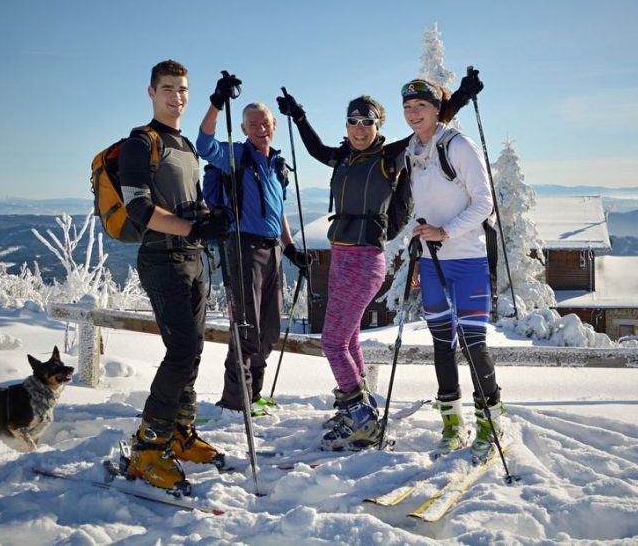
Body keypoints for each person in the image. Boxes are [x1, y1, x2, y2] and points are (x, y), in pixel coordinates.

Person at [276, 70, 482, 451]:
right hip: (340, 255)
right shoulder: (342, 157)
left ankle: (359, 418)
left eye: (366, 121)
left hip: (366, 258)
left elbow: (431, 124)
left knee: (332, 340)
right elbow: (315, 149)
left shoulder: (390, 156)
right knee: (348, 335)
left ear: (378, 124)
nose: (358, 128)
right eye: (352, 121)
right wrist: (298, 115)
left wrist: (463, 96)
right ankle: (360, 405)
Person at [117, 60, 230, 489]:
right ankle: (147, 448)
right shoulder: (140, 144)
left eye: (182, 89)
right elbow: (140, 209)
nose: (177, 96)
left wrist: (210, 217)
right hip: (162, 258)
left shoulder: (183, 144)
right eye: (168, 89)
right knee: (180, 351)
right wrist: (193, 226)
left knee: (193, 350)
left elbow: (190, 202)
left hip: (194, 257)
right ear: (151, 92)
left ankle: (180, 432)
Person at [401, 77, 506, 462]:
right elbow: (424, 209)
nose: (413, 114)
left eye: (420, 107)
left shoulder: (458, 146)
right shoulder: (414, 151)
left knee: (473, 344)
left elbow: (485, 203)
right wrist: (420, 253)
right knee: (441, 344)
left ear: (436, 108)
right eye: (408, 108)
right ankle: (451, 424)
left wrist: (446, 232)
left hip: (468, 262)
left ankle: (490, 421)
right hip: (431, 263)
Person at [196, 73, 310, 416]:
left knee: (269, 328)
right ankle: (235, 401)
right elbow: (204, 144)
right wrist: (217, 103)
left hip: (273, 249)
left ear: (274, 124)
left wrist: (290, 248)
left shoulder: (277, 164)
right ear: (244, 129)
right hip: (242, 247)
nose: (261, 128)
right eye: (253, 124)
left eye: (265, 122)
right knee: (247, 326)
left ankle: (254, 394)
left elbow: (279, 211)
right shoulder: (235, 155)